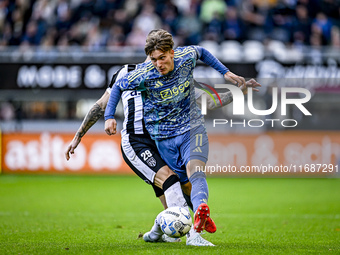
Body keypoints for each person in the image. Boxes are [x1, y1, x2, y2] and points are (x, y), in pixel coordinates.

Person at [65, 63, 260, 246]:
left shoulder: (175, 74)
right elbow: (100, 105)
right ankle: (193, 236)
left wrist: (236, 92)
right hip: (136, 141)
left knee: (184, 186)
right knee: (170, 180)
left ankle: (159, 230)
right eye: (157, 56)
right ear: (150, 53)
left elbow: (207, 101)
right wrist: (78, 136)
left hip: (161, 139)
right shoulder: (125, 73)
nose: (161, 62)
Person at [104, 29, 249, 242]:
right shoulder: (144, 74)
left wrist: (224, 72)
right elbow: (117, 86)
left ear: (172, 53)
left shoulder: (185, 57)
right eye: (154, 59)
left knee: (195, 169)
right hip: (163, 137)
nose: (158, 64)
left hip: (191, 127)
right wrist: (109, 116)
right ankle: (188, 220)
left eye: (162, 58)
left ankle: (200, 216)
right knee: (184, 185)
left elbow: (201, 52)